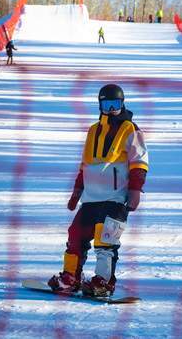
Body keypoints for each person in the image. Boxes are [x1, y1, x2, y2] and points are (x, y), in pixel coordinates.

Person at [48, 84, 149, 297]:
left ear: (123, 104)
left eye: (116, 104)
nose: (112, 109)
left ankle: (103, 282)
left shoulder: (131, 129)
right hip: (91, 197)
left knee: (106, 241)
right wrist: (77, 191)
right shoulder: (93, 130)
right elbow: (85, 164)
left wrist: (135, 190)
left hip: (116, 197)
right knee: (75, 235)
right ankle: (70, 277)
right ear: (100, 105)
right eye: (107, 104)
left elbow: (138, 161)